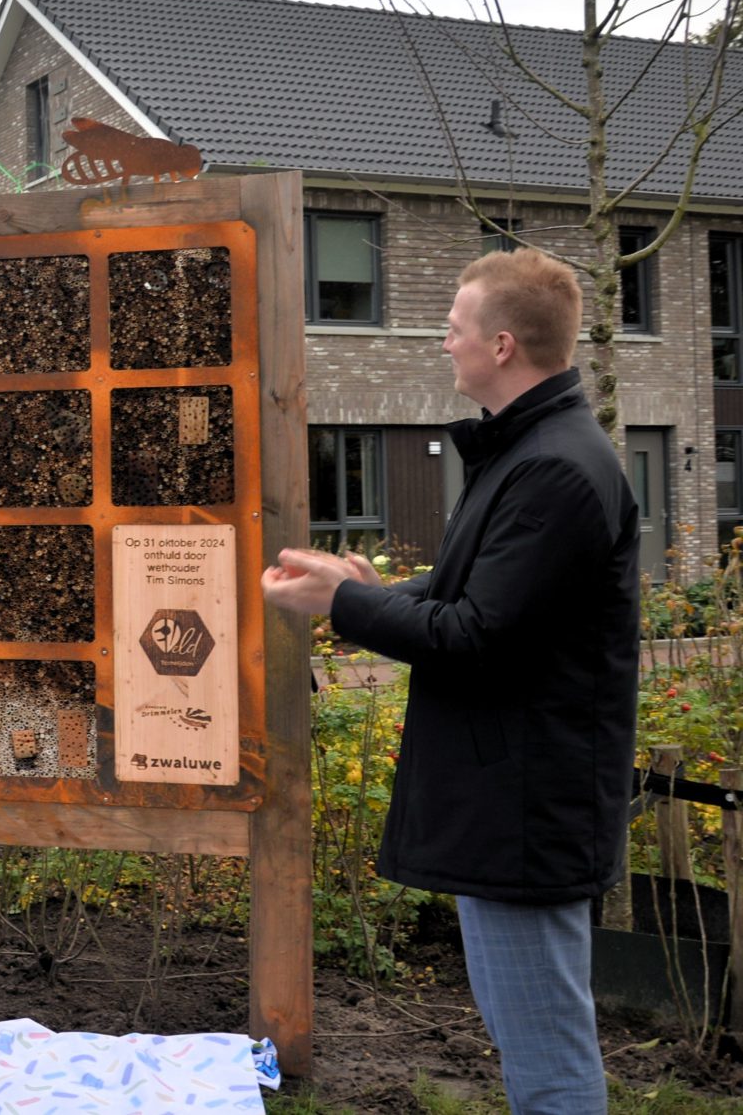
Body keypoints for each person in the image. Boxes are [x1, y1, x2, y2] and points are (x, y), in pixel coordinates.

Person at [262, 248, 637, 1115]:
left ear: (502, 344)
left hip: (523, 814)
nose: (444, 342)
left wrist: (347, 603)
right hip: (513, 804)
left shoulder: (554, 469)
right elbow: (473, 595)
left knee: (546, 1053)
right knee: (534, 1037)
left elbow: (477, 636)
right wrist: (365, 590)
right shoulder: (530, 453)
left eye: (455, 328)